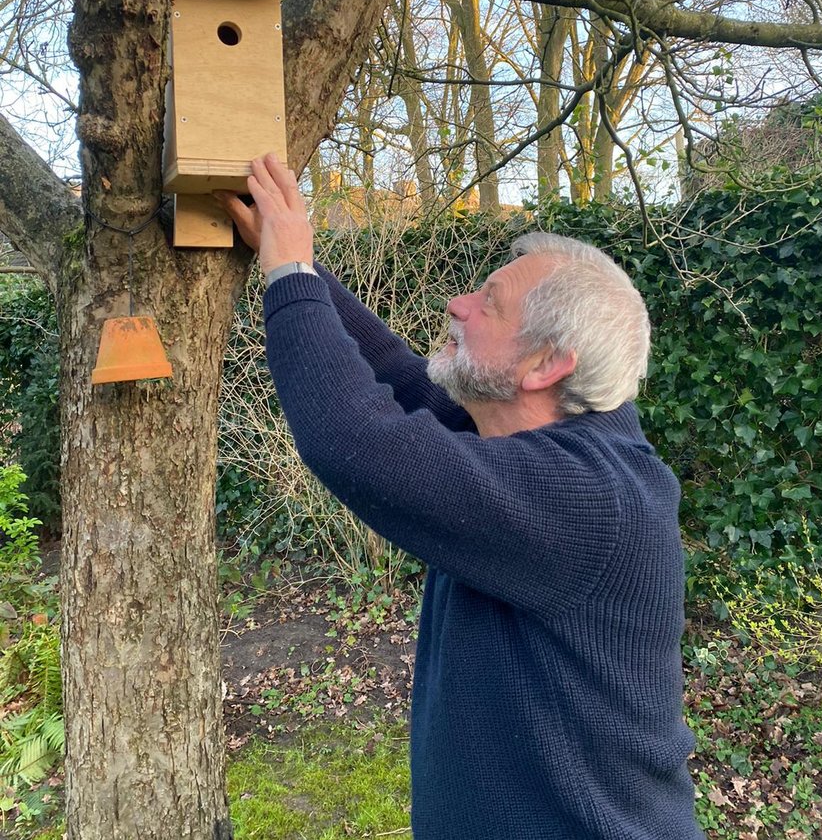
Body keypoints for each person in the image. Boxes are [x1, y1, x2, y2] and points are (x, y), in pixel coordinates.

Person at [215, 154, 704, 840]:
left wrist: (289, 275)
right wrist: (293, 255)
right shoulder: (533, 444)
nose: (457, 305)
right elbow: (393, 379)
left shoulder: (588, 500)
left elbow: (356, 437)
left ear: (545, 364)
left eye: (489, 304)